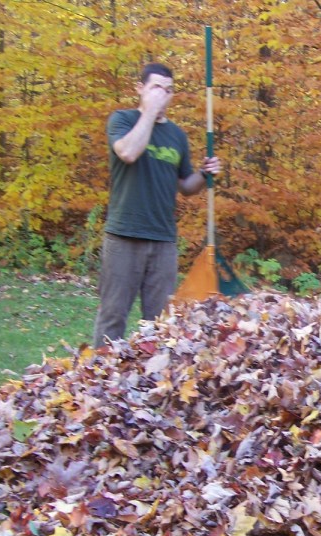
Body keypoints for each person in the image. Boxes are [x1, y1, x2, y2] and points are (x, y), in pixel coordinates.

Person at [93, 62, 222, 347]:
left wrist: (204, 174)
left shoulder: (177, 136)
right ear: (139, 89)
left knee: (161, 323)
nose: (163, 95)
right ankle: (97, 382)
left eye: (168, 90)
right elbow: (127, 152)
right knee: (112, 317)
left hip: (163, 241)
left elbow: (186, 187)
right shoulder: (122, 120)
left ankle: (151, 383)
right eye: (156, 88)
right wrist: (150, 111)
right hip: (124, 236)